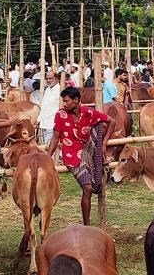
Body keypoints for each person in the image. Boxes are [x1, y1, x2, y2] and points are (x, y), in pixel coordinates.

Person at [47, 87, 115, 225]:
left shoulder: (88, 113)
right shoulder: (61, 115)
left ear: (76, 100)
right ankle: (87, 225)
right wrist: (48, 156)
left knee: (99, 126)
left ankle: (99, 159)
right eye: (63, 101)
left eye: (66, 101)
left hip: (87, 150)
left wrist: (104, 142)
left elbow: (112, 121)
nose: (64, 104)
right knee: (88, 188)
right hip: (71, 156)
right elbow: (55, 137)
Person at [38, 71, 62, 144]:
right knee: (47, 144)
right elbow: (44, 106)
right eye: (47, 78)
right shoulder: (48, 90)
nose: (48, 80)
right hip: (45, 123)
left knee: (53, 145)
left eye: (50, 78)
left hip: (54, 123)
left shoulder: (60, 90)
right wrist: (39, 119)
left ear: (57, 79)